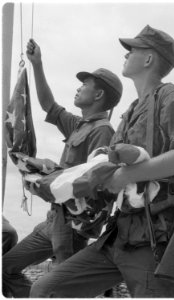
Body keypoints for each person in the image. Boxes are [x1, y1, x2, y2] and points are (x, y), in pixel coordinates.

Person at [29, 25, 174, 298]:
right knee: (45, 290)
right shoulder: (130, 111)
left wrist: (125, 176)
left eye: (132, 49)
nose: (126, 54)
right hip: (117, 236)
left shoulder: (171, 96)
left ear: (148, 59)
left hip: (153, 241)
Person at [3, 39, 123, 298]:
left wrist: (47, 175)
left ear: (99, 95)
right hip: (52, 222)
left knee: (56, 292)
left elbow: (92, 185)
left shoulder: (102, 131)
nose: (78, 89)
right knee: (6, 268)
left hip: (71, 229)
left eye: (84, 85)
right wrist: (37, 64)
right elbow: (50, 106)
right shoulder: (79, 125)